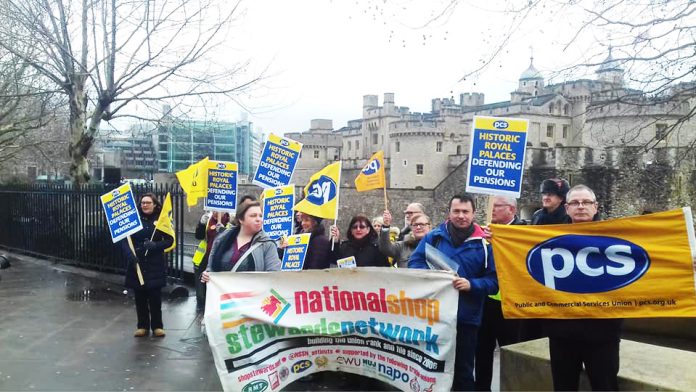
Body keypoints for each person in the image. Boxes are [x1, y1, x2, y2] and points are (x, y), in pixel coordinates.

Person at [409, 194, 498, 391]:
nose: (461, 216)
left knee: (463, 371)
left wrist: (472, 285)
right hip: (436, 316)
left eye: (465, 212)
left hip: (467, 318)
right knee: (433, 367)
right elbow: (415, 262)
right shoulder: (434, 237)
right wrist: (433, 278)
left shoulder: (485, 243)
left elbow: (494, 283)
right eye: (456, 211)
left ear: (474, 214)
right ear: (448, 213)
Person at [545, 184, 621, 391]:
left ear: (596, 207)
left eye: (586, 202)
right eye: (575, 203)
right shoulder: (548, 238)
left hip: (603, 332)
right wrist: (496, 240)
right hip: (562, 332)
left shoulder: (616, 236)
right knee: (563, 386)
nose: (581, 207)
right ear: (567, 208)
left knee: (605, 386)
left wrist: (684, 260)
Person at [475, 196, 525, 391]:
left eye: (497, 206)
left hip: (511, 305)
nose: (492, 209)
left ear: (512, 209)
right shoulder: (484, 231)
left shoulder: (522, 231)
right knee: (482, 352)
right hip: (486, 302)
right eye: (491, 206)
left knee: (511, 352)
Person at [523, 178, 572, 341]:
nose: (546, 197)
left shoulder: (569, 218)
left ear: (561, 197)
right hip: (538, 274)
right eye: (544, 193)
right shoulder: (537, 216)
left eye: (551, 194)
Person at [120, 193, 173, 338]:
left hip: (154, 263)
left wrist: (155, 245)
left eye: (148, 202)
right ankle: (142, 326)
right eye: (143, 202)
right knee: (140, 297)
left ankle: (157, 326)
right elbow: (124, 240)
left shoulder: (161, 220)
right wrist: (130, 256)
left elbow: (169, 240)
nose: (145, 205)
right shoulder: (133, 220)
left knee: (155, 297)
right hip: (137, 263)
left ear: (155, 204)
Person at [201, 201, 281, 280]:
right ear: (241, 219)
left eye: (260, 216)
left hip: (253, 292)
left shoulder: (267, 244)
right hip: (223, 292)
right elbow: (210, 269)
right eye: (253, 216)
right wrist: (207, 275)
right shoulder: (221, 239)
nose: (258, 219)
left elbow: (274, 277)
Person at [192, 211, 230, 313]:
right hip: (203, 258)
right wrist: (201, 224)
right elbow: (199, 236)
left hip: (220, 260)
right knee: (201, 290)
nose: (215, 212)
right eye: (213, 210)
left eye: (218, 210)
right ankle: (201, 309)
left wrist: (223, 230)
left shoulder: (230, 221)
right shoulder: (208, 219)